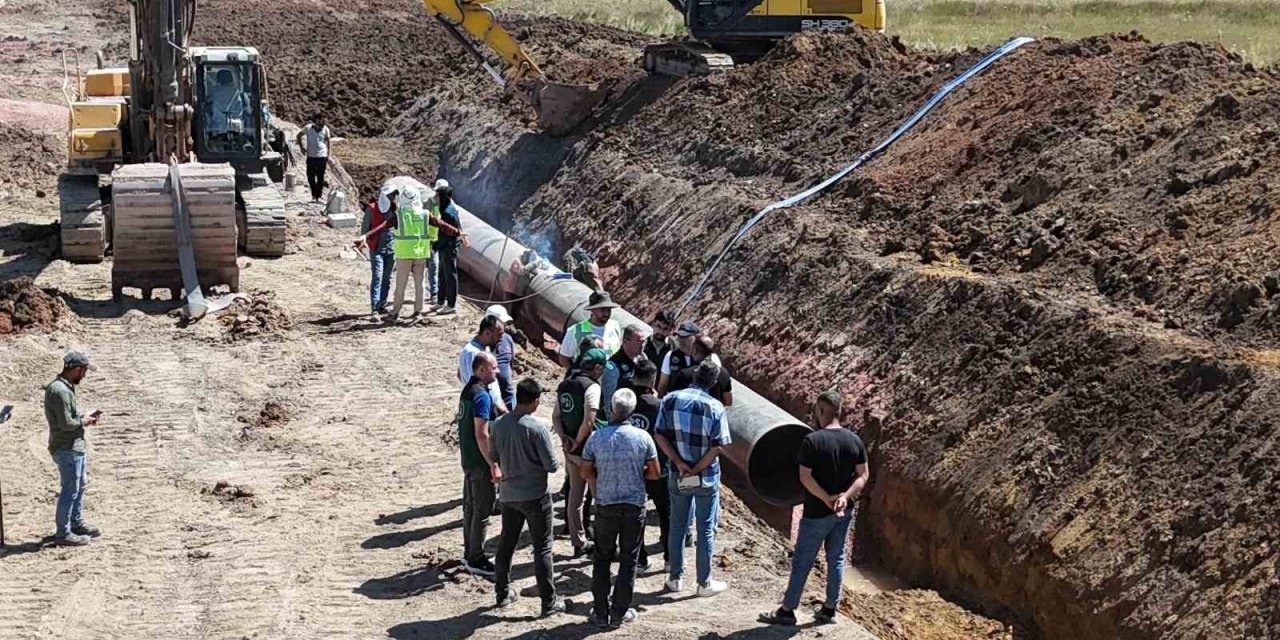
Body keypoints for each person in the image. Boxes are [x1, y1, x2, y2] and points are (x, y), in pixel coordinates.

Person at [760, 390, 869, 626]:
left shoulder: (812, 441)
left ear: (821, 411)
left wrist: (825, 498)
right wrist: (844, 497)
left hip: (816, 514)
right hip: (844, 511)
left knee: (803, 560)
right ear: (839, 411)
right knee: (836, 558)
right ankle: (830, 609)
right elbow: (863, 475)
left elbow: (805, 477)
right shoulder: (854, 440)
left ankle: (787, 610)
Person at [580, 389, 660, 628]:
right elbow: (655, 472)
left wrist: (602, 474)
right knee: (628, 560)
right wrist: (638, 472)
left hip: (606, 503)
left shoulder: (596, 438)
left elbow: (585, 472)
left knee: (602, 558)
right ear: (632, 411)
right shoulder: (643, 438)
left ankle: (600, 611)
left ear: (612, 409)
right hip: (634, 504)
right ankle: (619, 612)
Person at [654, 360, 731, 597]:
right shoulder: (715, 407)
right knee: (706, 529)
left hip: (679, 475)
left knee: (677, 526)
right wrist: (696, 468)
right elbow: (718, 447)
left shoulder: (670, 400)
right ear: (714, 382)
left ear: (695, 375)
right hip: (705, 477)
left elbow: (659, 434)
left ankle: (675, 578)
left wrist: (679, 463)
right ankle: (703, 583)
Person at [491, 379, 566, 616]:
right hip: (535, 495)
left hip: (508, 495)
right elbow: (551, 465)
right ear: (535, 401)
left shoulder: (499, 424)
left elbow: (494, 456)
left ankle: (502, 593)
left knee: (506, 544)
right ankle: (548, 601)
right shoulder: (536, 428)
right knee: (542, 548)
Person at [354, 186, 461, 322]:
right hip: (420, 254)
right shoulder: (424, 214)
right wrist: (457, 232)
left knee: (400, 285)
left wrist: (366, 236)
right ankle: (418, 312)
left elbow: (382, 227)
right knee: (420, 285)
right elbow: (441, 225)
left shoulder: (399, 216)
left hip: (404, 255)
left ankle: (395, 312)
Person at [553, 347, 608, 557]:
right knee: (599, 497)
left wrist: (564, 440)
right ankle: (603, 543)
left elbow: (556, 416)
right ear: (596, 368)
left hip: (571, 453)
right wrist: (577, 442)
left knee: (575, 497)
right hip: (588, 452)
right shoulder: (592, 387)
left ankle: (578, 541)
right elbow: (589, 420)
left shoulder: (564, 384)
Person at [44, 351, 101, 547]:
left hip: (73, 446)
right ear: (76, 369)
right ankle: (64, 532)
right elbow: (67, 423)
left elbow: (69, 419)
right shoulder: (60, 391)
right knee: (70, 490)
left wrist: (83, 418)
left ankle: (76, 523)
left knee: (79, 486)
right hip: (67, 448)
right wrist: (85, 420)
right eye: (84, 371)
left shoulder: (64, 387)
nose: (84, 375)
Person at [458, 351, 500, 577]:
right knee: (482, 510)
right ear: (481, 369)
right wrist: (493, 463)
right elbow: (482, 434)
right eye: (494, 367)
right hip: (480, 462)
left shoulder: (468, 390)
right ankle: (476, 557)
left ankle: (469, 552)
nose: (498, 370)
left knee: (470, 508)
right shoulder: (482, 396)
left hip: (468, 459)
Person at [628, 360, 669, 573]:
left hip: (633, 470)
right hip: (659, 468)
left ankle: (640, 559)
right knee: (666, 514)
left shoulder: (624, 401)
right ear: (653, 380)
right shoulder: (659, 405)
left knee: (637, 516)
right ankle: (670, 560)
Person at [459, 314, 509, 415]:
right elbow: (478, 385)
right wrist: (501, 410)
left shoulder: (480, 349)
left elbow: (459, 375)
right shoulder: (474, 353)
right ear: (487, 333)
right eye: (499, 335)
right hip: (483, 409)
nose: (501, 339)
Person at [558, 291, 624, 368]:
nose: (606, 313)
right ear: (593, 310)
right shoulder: (576, 331)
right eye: (602, 310)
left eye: (609, 310)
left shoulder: (615, 326)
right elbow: (564, 358)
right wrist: (576, 375)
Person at [599, 324, 649, 422]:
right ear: (625, 341)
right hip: (621, 417)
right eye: (638, 342)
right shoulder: (613, 366)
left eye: (644, 341)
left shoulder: (643, 358)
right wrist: (612, 422)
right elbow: (608, 399)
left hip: (639, 414)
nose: (642, 345)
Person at [657, 321, 721, 396]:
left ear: (696, 338)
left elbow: (718, 387)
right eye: (678, 336)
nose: (680, 340)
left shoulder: (711, 358)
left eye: (684, 337)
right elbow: (662, 386)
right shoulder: (671, 356)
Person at [668, 335, 733, 406]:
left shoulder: (685, 374)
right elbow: (728, 403)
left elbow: (671, 400)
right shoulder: (724, 374)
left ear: (695, 351)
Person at [432, 181, 467, 315]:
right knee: (442, 274)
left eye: (438, 195)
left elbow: (448, 234)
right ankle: (440, 301)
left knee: (450, 276)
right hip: (444, 248)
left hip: (448, 248)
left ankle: (451, 304)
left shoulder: (448, 212)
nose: (436, 197)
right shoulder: (447, 209)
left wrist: (436, 245)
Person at [359, 194, 395, 317]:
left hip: (391, 248)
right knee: (377, 277)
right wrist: (365, 240)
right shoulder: (372, 209)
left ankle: (381, 304)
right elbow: (365, 229)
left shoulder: (394, 208)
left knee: (387, 277)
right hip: (376, 248)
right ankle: (374, 307)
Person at [485, 304, 518, 410]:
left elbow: (511, 363)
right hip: (490, 400)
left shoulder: (507, 339)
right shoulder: (479, 345)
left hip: (508, 397)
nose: (504, 325)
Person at [295, 113, 331, 202]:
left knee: (320, 177)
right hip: (311, 156)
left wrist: (328, 154)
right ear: (317, 120)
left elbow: (328, 141)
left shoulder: (325, 129)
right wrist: (302, 147)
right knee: (310, 176)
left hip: (322, 156)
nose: (324, 122)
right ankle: (314, 194)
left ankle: (318, 196)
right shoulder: (308, 128)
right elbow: (298, 135)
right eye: (322, 120)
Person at [206, 68, 248, 134]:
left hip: (217, 128)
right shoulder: (238, 92)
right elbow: (246, 107)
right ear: (231, 79)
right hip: (237, 127)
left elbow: (208, 102)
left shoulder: (215, 91)